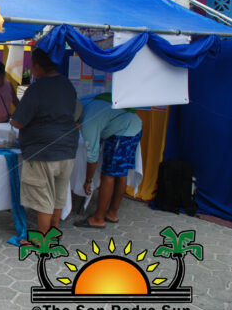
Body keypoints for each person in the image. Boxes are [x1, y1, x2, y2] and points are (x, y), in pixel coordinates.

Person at [10, 48, 79, 235]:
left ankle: (43, 240)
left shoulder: (37, 89)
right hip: (68, 149)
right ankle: (54, 232)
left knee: (43, 198)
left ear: (38, 66)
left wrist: (13, 120)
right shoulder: (67, 84)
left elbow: (18, 121)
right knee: (58, 196)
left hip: (43, 151)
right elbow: (75, 112)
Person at [74, 93, 142, 228]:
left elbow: (92, 155)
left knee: (108, 175)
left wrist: (88, 180)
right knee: (121, 172)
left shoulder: (88, 120)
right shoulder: (83, 101)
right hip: (135, 126)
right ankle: (112, 213)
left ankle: (98, 219)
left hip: (122, 133)